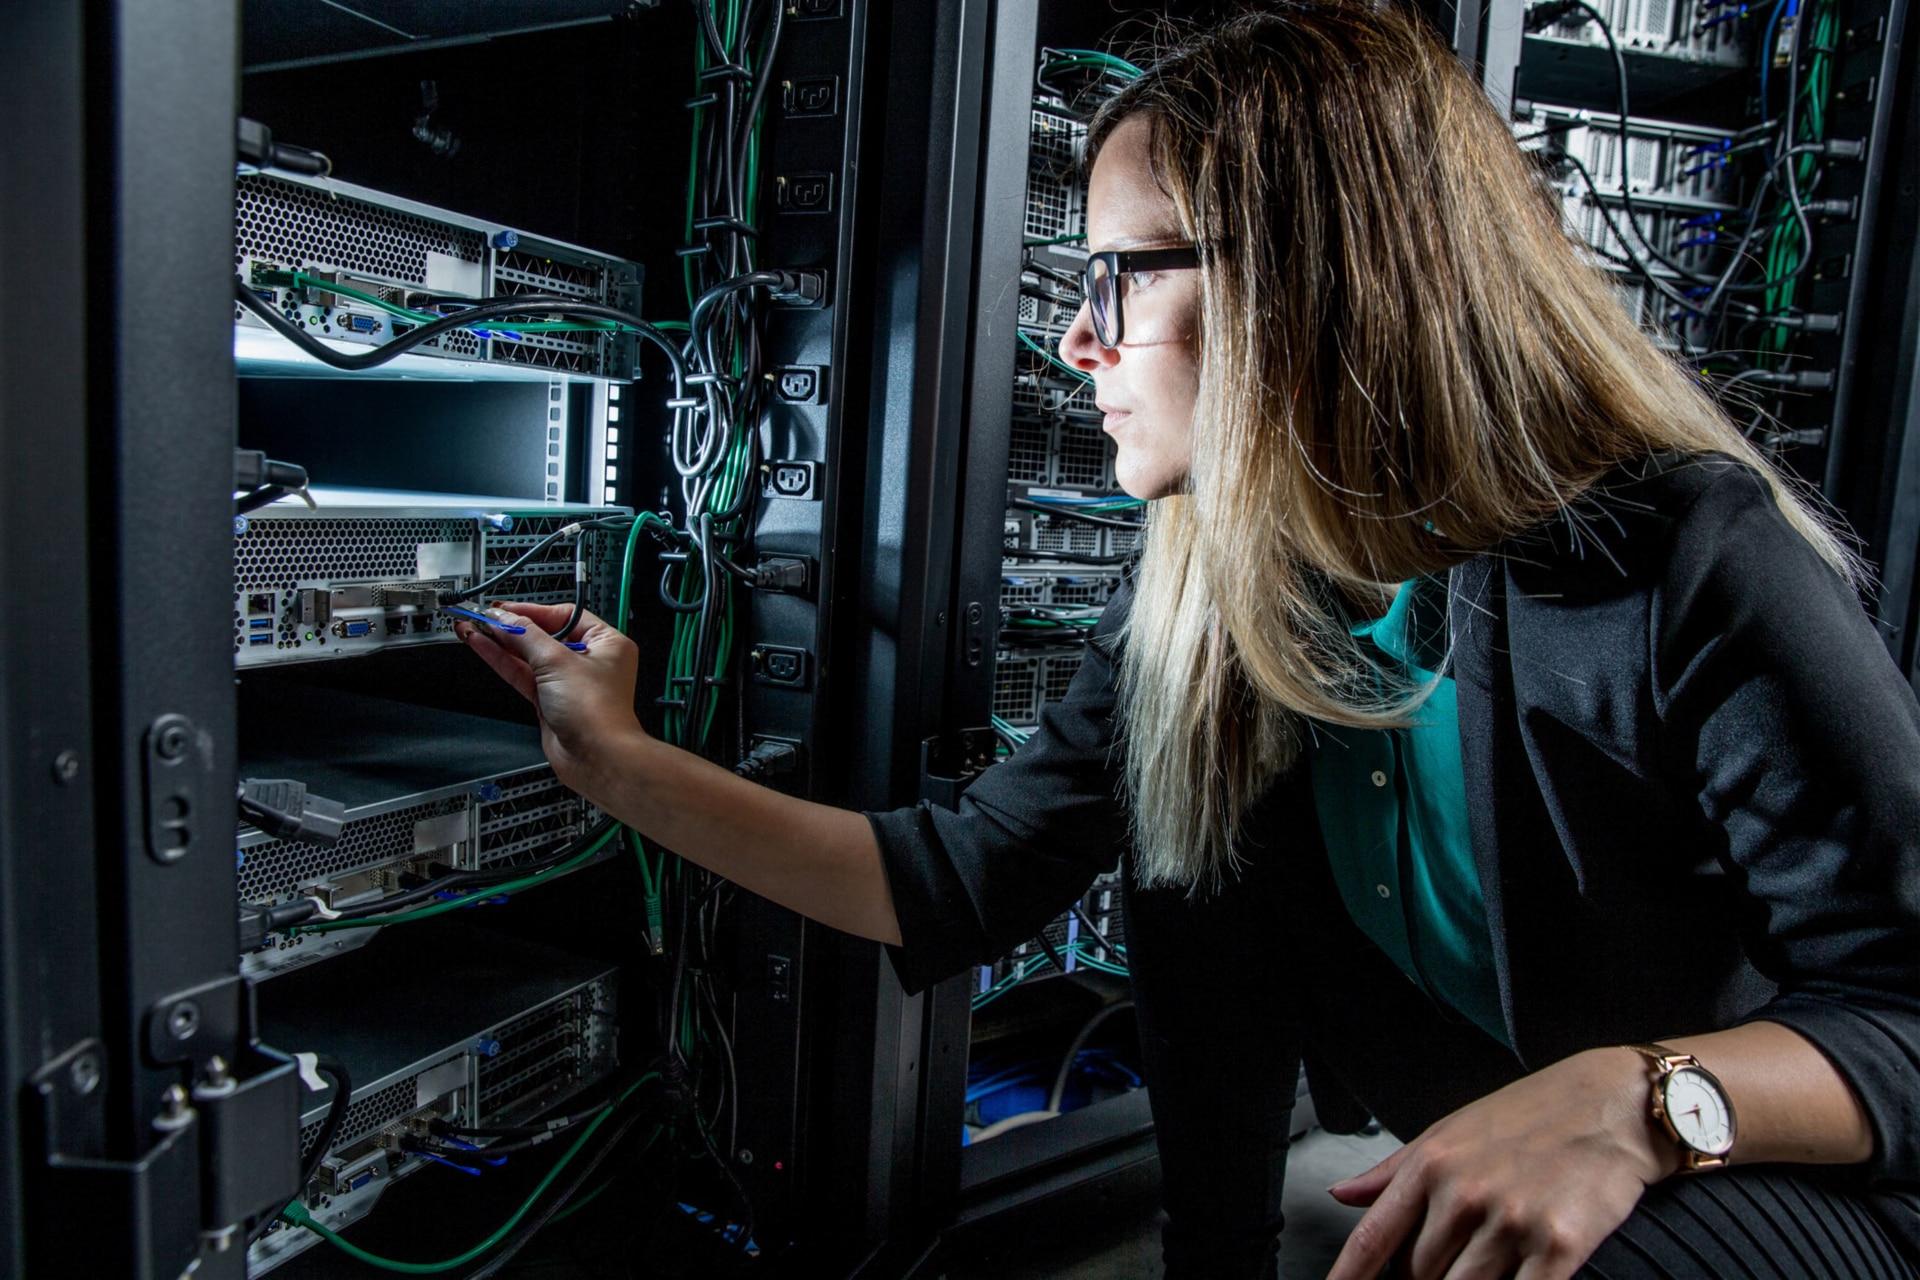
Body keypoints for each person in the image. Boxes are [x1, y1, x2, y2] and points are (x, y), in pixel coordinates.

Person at [455, 3, 1920, 1276]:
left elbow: (1908, 1017)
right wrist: (616, 759)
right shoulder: (1214, 597)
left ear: (1317, 280)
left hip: (1755, 1184)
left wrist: (1640, 1104)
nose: (1074, 344)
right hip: (1491, 1195)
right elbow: (962, 876)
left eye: (1120, 277)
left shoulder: (1681, 557)